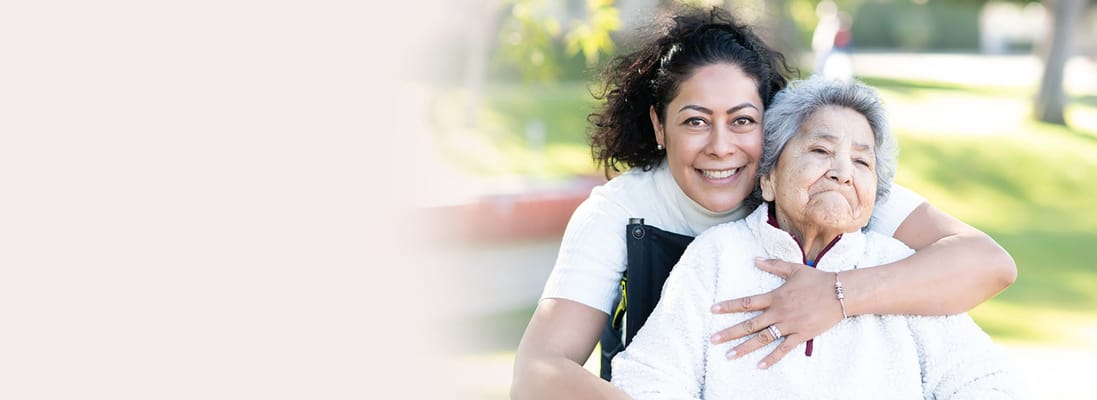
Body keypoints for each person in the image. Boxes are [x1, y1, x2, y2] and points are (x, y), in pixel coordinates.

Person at [511, 6, 1016, 399]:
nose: (721, 146)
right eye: (694, 121)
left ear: (769, 132)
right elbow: (539, 374)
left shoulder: (836, 189)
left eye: (742, 120)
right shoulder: (631, 215)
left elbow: (987, 265)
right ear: (659, 126)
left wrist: (838, 293)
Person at [611, 76, 1020, 398]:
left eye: (862, 161)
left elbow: (986, 382)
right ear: (768, 178)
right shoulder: (717, 257)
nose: (843, 171)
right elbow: (650, 378)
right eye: (821, 151)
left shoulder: (899, 265)